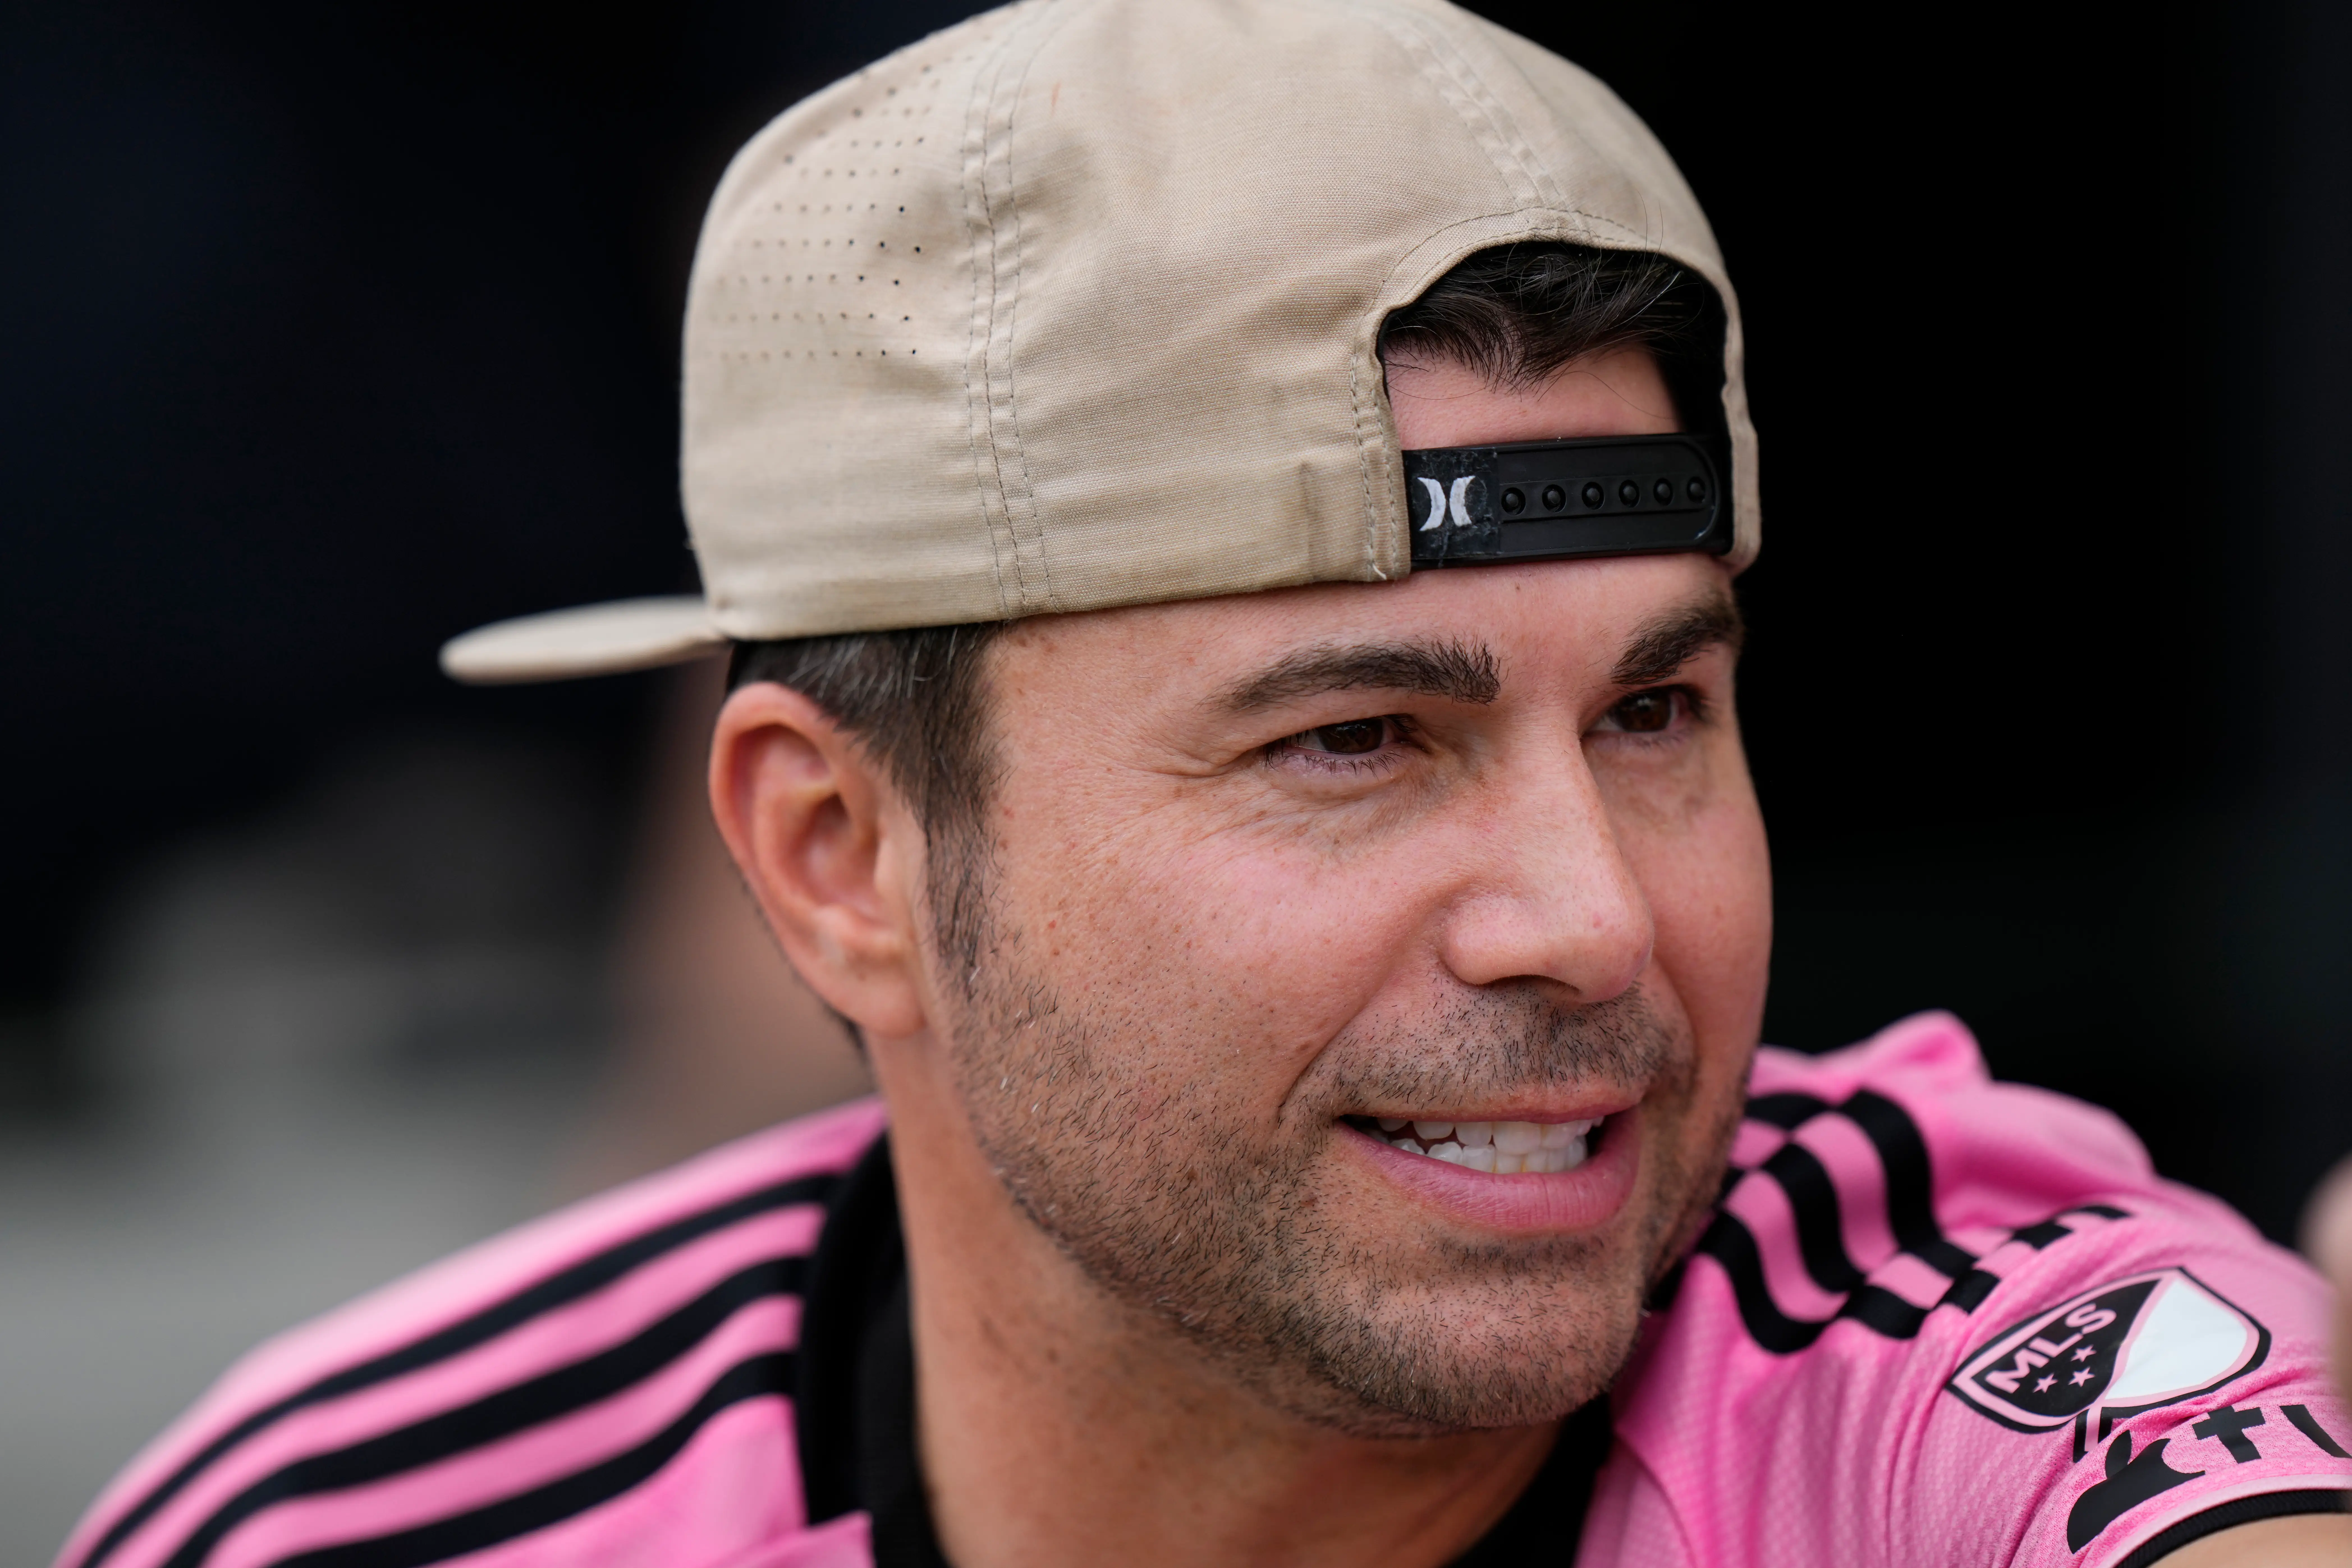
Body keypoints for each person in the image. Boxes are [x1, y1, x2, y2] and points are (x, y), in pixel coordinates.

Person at [58, 3, 2352, 1565]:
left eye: (1654, 712)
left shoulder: (1945, 1370)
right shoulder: (362, 1515)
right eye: (1358, 739)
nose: (1590, 914)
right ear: (838, 854)